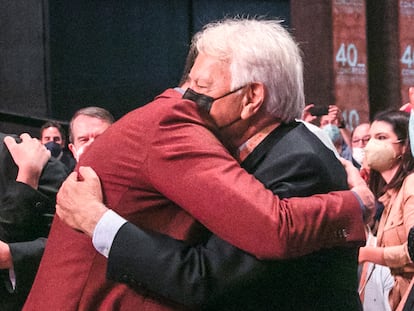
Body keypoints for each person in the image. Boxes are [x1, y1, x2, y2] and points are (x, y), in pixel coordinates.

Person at [24, 18, 371, 310]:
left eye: (200, 86)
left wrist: (356, 206)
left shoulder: (296, 161)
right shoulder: (225, 139)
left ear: (251, 97)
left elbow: (209, 275)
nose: (184, 98)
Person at [0, 133, 68, 311]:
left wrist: (14, 253)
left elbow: (68, 243)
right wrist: (27, 179)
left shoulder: (25, 154)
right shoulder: (28, 161)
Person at [358, 110, 414, 310]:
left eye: (381, 137)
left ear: (404, 146)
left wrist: (368, 254)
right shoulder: (390, 195)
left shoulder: (411, 184)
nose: (371, 144)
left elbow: (413, 250)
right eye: (371, 137)